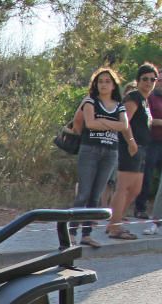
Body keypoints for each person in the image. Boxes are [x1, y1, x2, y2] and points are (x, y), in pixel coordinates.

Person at [71, 67, 127, 247]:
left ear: (113, 85)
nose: (103, 85)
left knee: (96, 196)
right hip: (90, 150)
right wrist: (111, 124)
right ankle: (71, 232)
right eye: (100, 81)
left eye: (107, 81)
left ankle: (86, 234)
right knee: (83, 194)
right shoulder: (90, 101)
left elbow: (124, 126)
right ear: (96, 84)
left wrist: (102, 122)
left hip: (110, 152)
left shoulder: (119, 105)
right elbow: (90, 123)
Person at [106, 64, 157, 240]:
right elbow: (124, 121)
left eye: (152, 79)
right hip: (130, 148)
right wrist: (131, 141)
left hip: (143, 148)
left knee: (135, 190)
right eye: (145, 79)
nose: (149, 82)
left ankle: (114, 221)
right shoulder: (133, 97)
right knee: (123, 188)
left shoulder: (145, 100)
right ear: (138, 80)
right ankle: (114, 227)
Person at [134, 66, 162, 225]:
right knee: (147, 175)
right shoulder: (148, 98)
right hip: (151, 142)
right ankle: (140, 208)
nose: (155, 82)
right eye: (158, 80)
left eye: (154, 79)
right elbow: (149, 120)